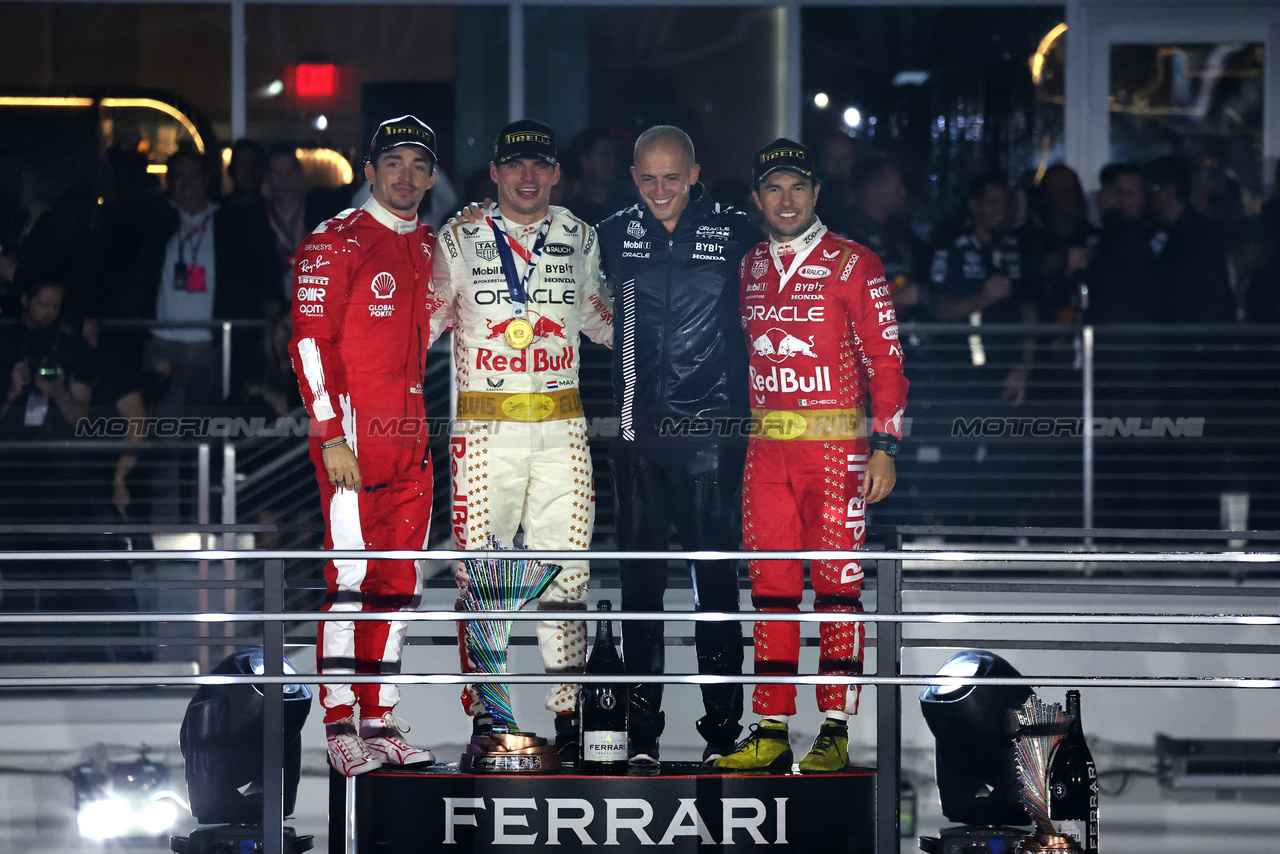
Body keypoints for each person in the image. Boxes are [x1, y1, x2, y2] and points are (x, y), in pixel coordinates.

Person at [714, 139, 907, 775]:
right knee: (769, 588)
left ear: (817, 192)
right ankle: (770, 726)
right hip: (766, 451)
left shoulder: (856, 262)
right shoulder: (747, 266)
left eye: (798, 186)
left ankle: (834, 729)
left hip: (837, 452)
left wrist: (885, 446)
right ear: (756, 198)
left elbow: (888, 363)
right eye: (773, 188)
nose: (786, 199)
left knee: (836, 590)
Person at [429, 120, 614, 762]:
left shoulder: (582, 236)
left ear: (557, 173)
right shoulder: (456, 237)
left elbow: (608, 323)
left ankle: (569, 724)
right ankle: (490, 721)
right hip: (483, 430)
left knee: (567, 575)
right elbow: (414, 329)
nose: (528, 178)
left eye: (540, 165)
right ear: (495, 174)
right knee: (482, 578)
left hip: (564, 428)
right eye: (516, 167)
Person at [596, 125, 762, 770]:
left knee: (716, 586)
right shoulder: (607, 233)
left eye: (672, 176)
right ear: (632, 178)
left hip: (713, 439)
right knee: (640, 588)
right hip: (636, 436)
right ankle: (641, 736)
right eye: (647, 178)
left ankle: (724, 733)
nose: (660, 190)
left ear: (696, 173)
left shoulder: (737, 231)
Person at [288, 115, 441, 776]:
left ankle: (379, 716)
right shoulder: (335, 240)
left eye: (418, 165)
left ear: (431, 176)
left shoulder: (431, 244)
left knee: (398, 587)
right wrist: (329, 437)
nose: (405, 177)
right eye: (394, 163)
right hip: (352, 447)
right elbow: (307, 343)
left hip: (413, 447)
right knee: (350, 584)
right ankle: (338, 718)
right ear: (369, 168)